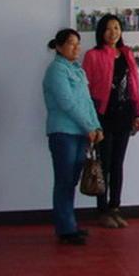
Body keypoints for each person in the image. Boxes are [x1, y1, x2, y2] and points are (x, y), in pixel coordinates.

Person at [82, 14, 139, 229]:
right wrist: (91, 121)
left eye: (116, 28)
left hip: (124, 116)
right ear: (101, 32)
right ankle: (102, 211)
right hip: (103, 116)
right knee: (104, 165)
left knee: (118, 164)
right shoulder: (92, 55)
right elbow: (85, 90)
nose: (113, 32)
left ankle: (115, 207)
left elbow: (135, 86)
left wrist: (138, 114)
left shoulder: (126, 54)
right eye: (108, 28)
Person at [43, 28, 103, 245]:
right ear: (59, 47)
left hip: (80, 133)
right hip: (64, 133)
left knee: (72, 180)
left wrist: (96, 126)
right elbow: (67, 103)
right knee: (64, 181)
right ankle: (65, 228)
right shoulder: (56, 70)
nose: (76, 48)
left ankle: (70, 224)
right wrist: (88, 126)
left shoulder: (77, 70)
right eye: (71, 43)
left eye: (78, 43)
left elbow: (86, 102)